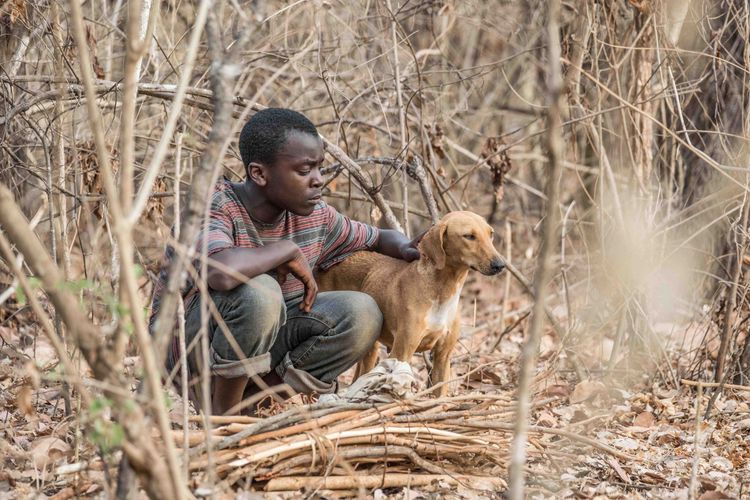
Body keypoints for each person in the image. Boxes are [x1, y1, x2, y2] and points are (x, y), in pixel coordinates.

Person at [150, 108, 420, 415]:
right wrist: (286, 250)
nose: (318, 181)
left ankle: (254, 405)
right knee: (261, 291)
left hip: (259, 352)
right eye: (305, 171)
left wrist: (410, 247)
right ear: (259, 174)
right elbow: (220, 273)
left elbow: (377, 237)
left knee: (362, 312)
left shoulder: (315, 216)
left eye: (320, 168)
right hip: (190, 354)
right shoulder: (213, 207)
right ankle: (222, 420)